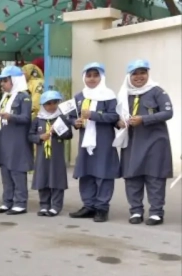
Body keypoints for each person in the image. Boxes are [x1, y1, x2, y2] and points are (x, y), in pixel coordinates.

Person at [116, 59, 174, 226]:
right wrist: (118, 122)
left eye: (143, 72)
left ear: (148, 74)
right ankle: (135, 210)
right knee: (132, 176)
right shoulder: (124, 94)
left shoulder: (157, 92)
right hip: (132, 142)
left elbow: (168, 113)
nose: (139, 76)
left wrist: (144, 119)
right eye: (135, 73)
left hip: (155, 142)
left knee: (155, 176)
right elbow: (116, 115)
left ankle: (156, 212)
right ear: (129, 76)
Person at [67, 62, 120, 223]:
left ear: (101, 77)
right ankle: (89, 206)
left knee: (103, 173)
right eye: (88, 75)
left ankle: (102, 208)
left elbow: (114, 117)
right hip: (85, 142)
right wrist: (74, 122)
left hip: (103, 140)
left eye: (95, 75)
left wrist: (93, 115)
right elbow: (70, 116)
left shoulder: (109, 95)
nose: (92, 79)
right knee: (86, 173)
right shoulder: (79, 96)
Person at [0, 65, 33, 215]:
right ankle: (7, 201)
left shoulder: (24, 96)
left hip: (17, 139)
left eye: (5, 81)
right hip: (4, 137)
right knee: (6, 171)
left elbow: (26, 118)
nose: (2, 84)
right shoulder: (5, 97)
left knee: (17, 170)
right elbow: (2, 114)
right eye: (1, 81)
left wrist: (11, 117)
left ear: (14, 80)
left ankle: (20, 202)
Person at [28, 91, 72, 216]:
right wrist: (40, 137)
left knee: (57, 178)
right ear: (43, 105)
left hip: (56, 156)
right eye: (48, 103)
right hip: (42, 156)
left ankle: (56, 206)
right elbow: (30, 136)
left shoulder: (61, 118)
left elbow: (69, 135)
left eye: (55, 103)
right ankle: (44, 205)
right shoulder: (38, 119)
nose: (52, 106)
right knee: (43, 178)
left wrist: (58, 131)